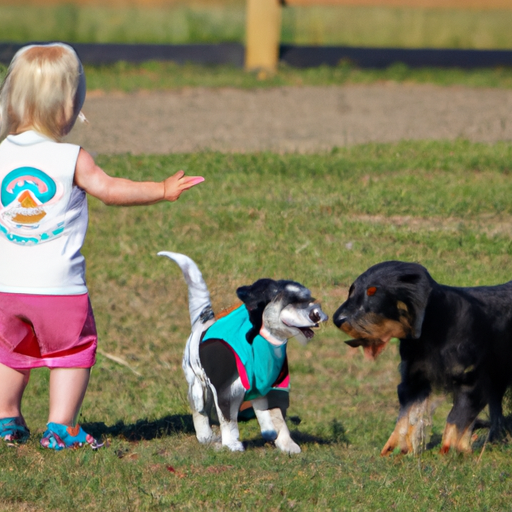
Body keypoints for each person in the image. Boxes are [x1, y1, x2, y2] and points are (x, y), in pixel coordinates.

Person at [0, 42, 204, 450]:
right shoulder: (73, 157)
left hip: (6, 287)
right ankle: (61, 427)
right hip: (59, 289)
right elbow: (110, 190)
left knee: (9, 352)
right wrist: (161, 189)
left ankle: (6, 420)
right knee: (73, 352)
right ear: (67, 107)